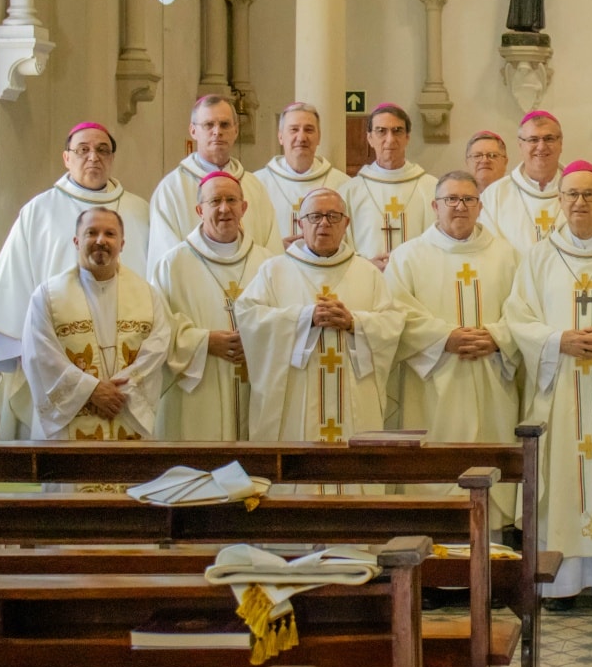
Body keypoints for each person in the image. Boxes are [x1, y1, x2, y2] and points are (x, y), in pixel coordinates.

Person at [506, 161, 592, 612]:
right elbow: (518, 317)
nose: (580, 202)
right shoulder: (538, 256)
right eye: (571, 195)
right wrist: (556, 340)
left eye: (589, 194)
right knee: (561, 480)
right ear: (559, 201)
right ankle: (559, 585)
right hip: (560, 385)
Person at [0, 121, 151, 439]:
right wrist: (31, 358)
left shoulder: (139, 212)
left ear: (112, 158)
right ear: (66, 158)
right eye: (83, 150)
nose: (93, 157)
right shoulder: (38, 211)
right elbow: (13, 285)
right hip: (56, 360)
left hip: (127, 366)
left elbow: (155, 290)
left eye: (102, 150)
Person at [386, 171, 520, 526]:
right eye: (451, 199)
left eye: (468, 199)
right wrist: (444, 337)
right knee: (437, 470)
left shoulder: (506, 256)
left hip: (491, 379)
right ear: (435, 206)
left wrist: (497, 337)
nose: (460, 207)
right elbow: (395, 313)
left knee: (490, 464)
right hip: (432, 385)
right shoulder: (409, 256)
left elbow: (524, 311)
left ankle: (493, 550)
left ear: (480, 206)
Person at [236, 189, 406, 454]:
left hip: (353, 395)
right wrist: (305, 317)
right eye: (315, 216)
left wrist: (354, 323)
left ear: (346, 223)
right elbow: (249, 316)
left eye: (333, 216)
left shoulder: (367, 272)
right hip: (296, 399)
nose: (324, 223)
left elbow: (392, 322)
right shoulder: (274, 270)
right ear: (300, 223)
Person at [20, 207, 171, 441]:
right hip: (72, 424)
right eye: (91, 233)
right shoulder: (47, 296)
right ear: (76, 241)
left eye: (110, 234)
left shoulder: (147, 295)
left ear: (122, 244)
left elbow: (158, 346)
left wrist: (120, 390)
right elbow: (40, 355)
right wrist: (90, 390)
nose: (101, 240)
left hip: (126, 409)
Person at [151, 171, 273, 441]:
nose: (224, 208)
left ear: (244, 208)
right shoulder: (172, 265)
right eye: (215, 201)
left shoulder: (267, 263)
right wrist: (205, 342)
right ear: (199, 210)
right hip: (199, 392)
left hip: (256, 385)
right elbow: (156, 329)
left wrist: (256, 340)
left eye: (232, 200)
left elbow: (284, 322)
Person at [147, 95, 277, 265]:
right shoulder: (171, 189)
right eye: (209, 125)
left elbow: (272, 254)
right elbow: (166, 261)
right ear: (193, 131)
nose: (217, 132)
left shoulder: (254, 187)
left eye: (225, 124)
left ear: (236, 130)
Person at [339, 104, 436, 272]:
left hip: (417, 277)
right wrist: (366, 266)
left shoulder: (431, 188)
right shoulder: (349, 191)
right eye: (381, 131)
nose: (390, 139)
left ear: (407, 137)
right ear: (370, 138)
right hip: (367, 277)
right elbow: (340, 244)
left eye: (397, 131)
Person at [254, 103, 349, 248]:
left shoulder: (342, 183)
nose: (302, 137)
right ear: (280, 136)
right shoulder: (258, 183)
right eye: (294, 129)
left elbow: (349, 241)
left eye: (309, 130)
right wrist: (278, 249)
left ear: (319, 137)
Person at [480, 110, 564, 254]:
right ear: (520, 145)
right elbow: (489, 253)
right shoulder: (495, 195)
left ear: (561, 143)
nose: (541, 146)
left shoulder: (580, 190)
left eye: (549, 138)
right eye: (533, 140)